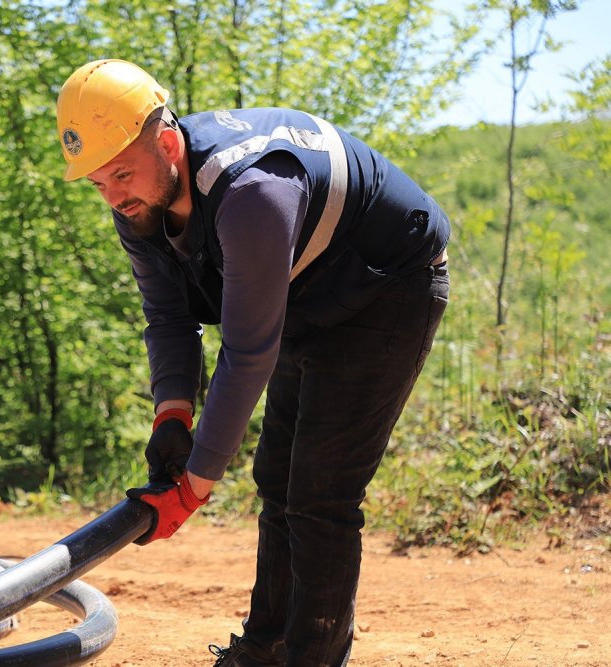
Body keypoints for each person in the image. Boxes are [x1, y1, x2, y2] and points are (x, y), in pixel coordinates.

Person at [56, 59, 450, 667]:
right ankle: (266, 649)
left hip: (386, 286)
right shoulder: (138, 201)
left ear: (166, 143)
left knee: (321, 488)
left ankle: (312, 658)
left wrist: (192, 488)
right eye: (98, 182)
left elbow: (247, 352)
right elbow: (167, 317)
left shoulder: (252, 191)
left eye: (122, 174)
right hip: (309, 288)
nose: (113, 196)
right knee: (278, 478)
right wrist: (172, 419)